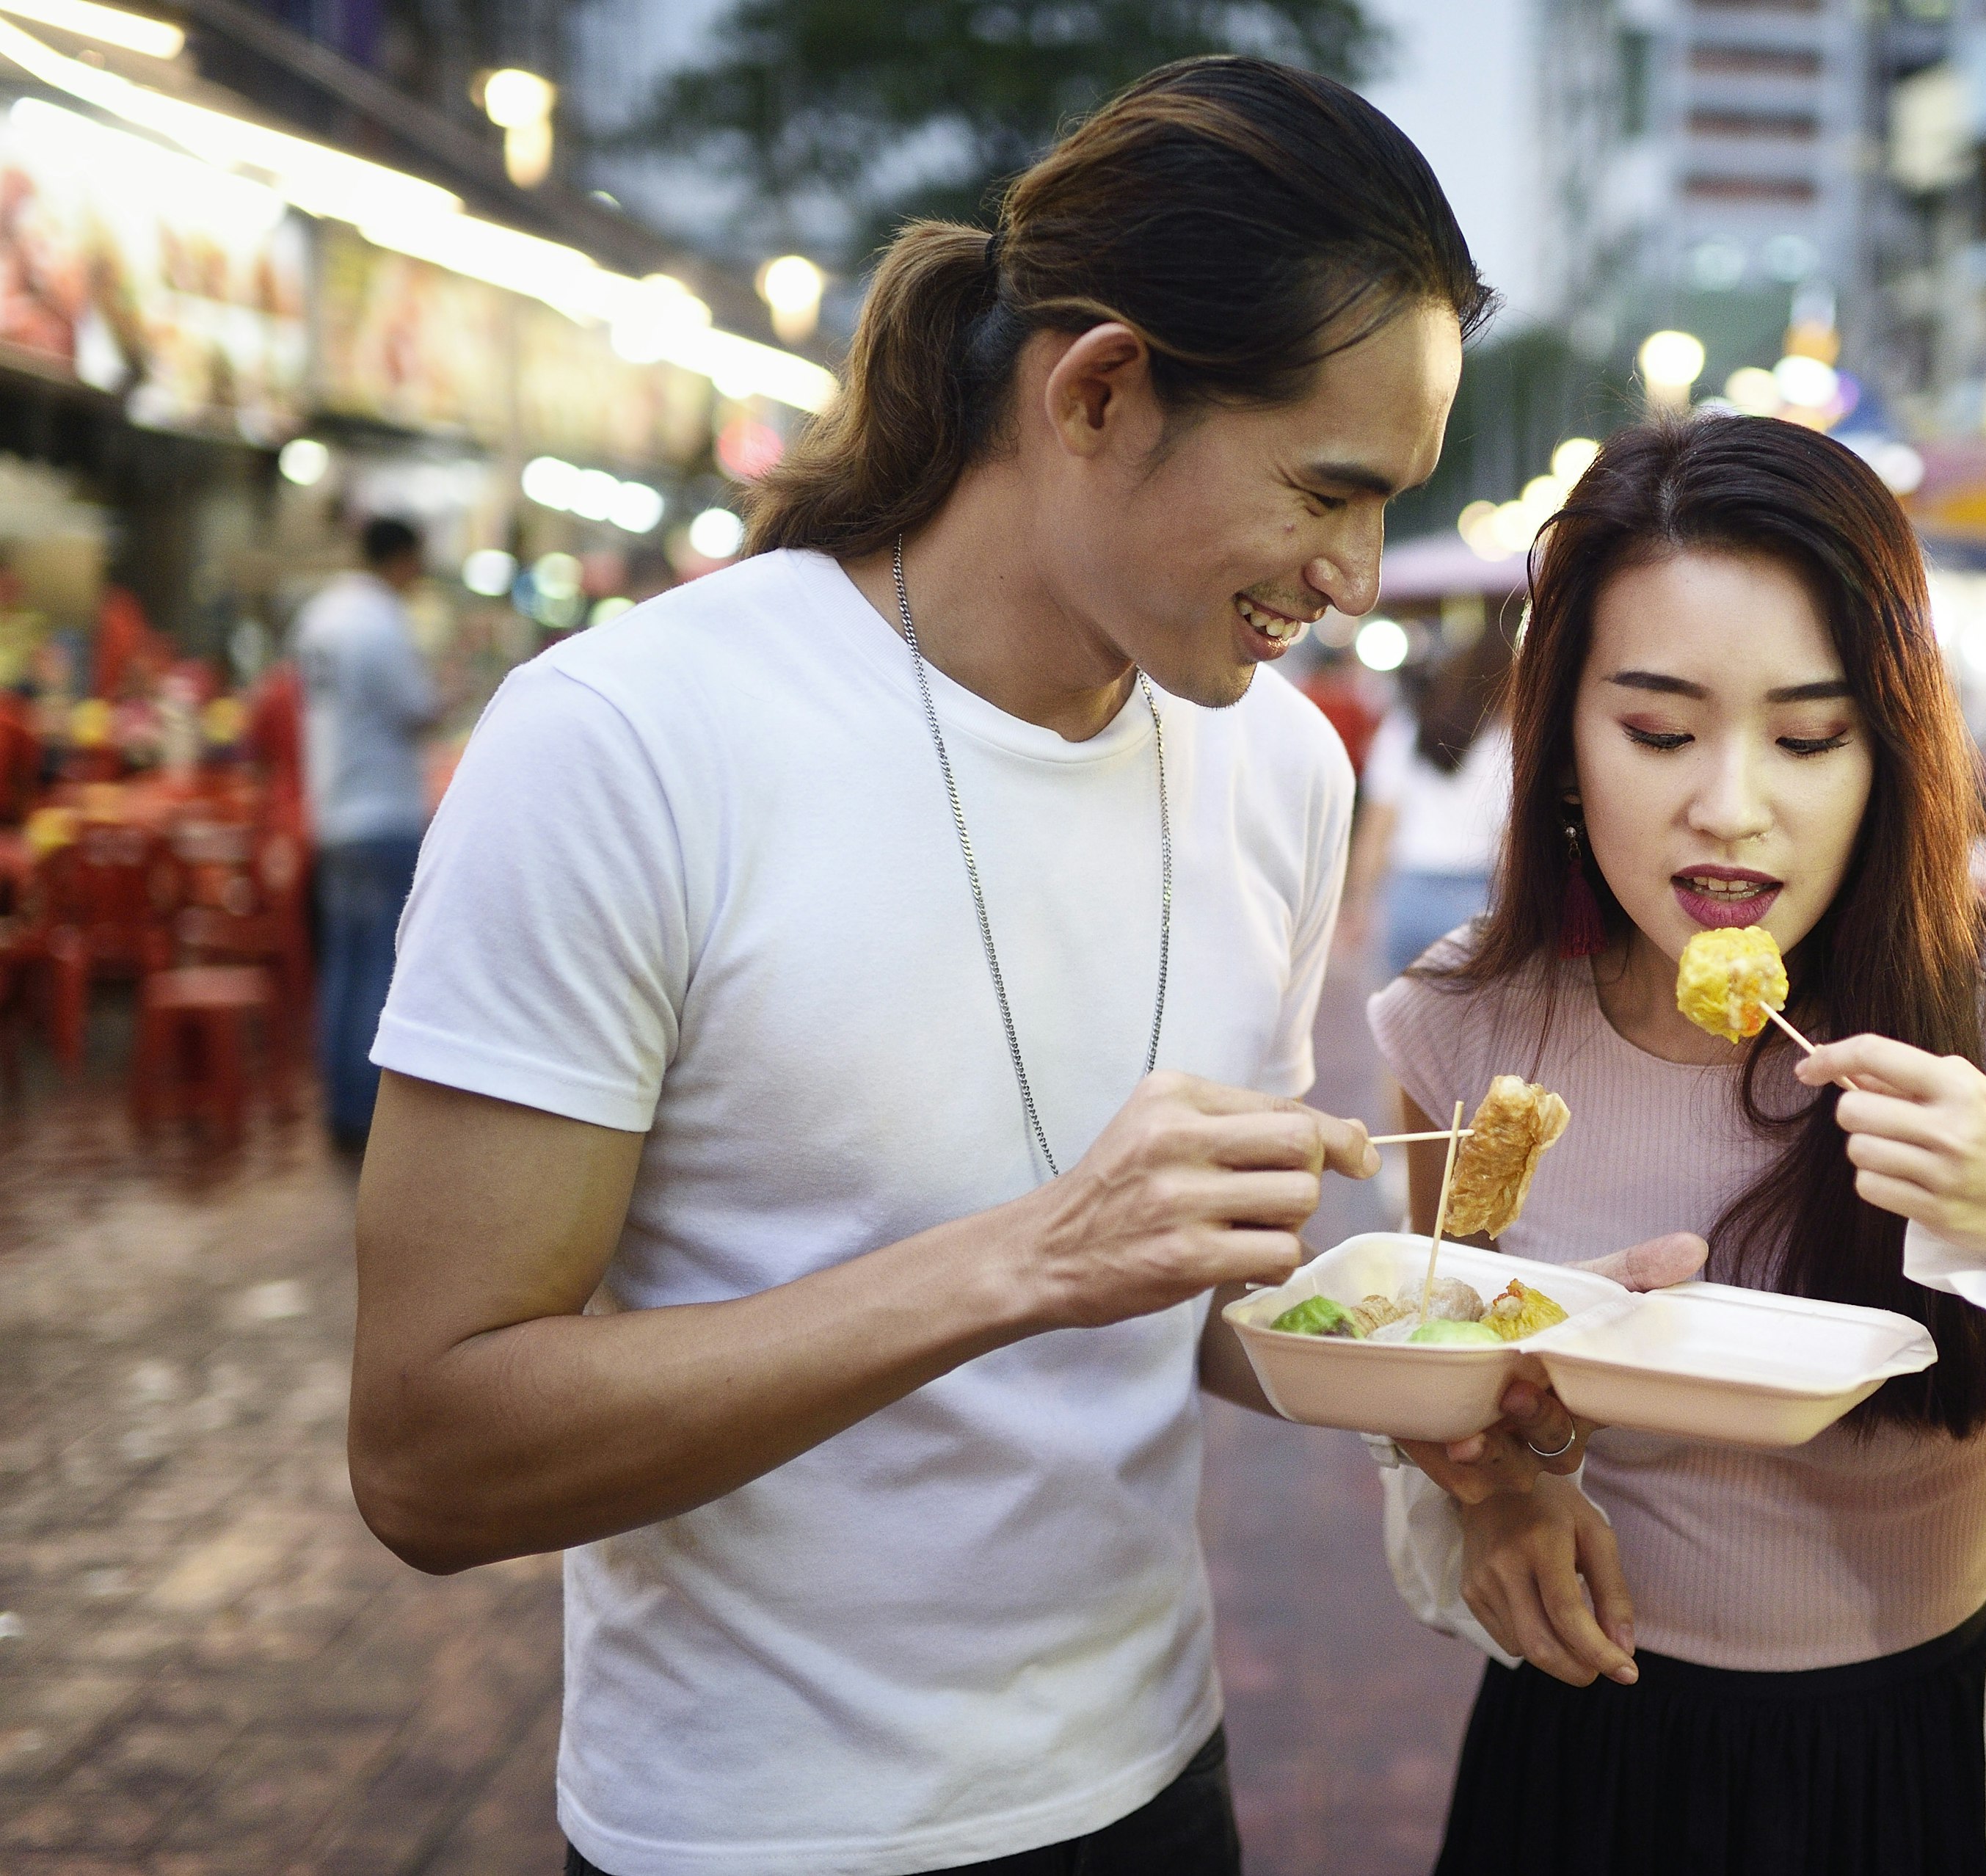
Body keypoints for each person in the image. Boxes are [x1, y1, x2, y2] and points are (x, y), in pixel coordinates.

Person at [346, 61, 1493, 1876]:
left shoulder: (1281, 768)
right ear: (1102, 389)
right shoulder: (633, 738)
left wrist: (1483, 1366)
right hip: (743, 1833)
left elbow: (1188, 1296)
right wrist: (1029, 1258)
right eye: (1325, 492)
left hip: (1156, 1780)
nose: (1351, 577)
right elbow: (429, 1454)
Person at [1367, 419, 1986, 1876]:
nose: (1733, 804)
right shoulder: (1465, 1029)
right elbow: (1438, 1369)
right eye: (1658, 728)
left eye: (1811, 737)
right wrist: (1501, 1485)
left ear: (1890, 752)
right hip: (1578, 1758)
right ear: (1561, 736)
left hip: (1909, 1768)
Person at [295, 515, 440, 1145]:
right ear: (402, 559)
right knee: (381, 963)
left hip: (331, 810)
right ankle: (364, 1113)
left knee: (343, 965)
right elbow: (415, 709)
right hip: (382, 810)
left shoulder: (321, 615)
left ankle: (338, 1103)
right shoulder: (381, 620)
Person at [1346, 624, 1515, 978]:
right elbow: (1508, 842)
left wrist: (1358, 903)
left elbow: (1378, 825)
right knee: (1470, 1030)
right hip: (1476, 900)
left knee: (1398, 1027)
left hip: (1406, 896)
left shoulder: (1405, 727)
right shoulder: (1506, 741)